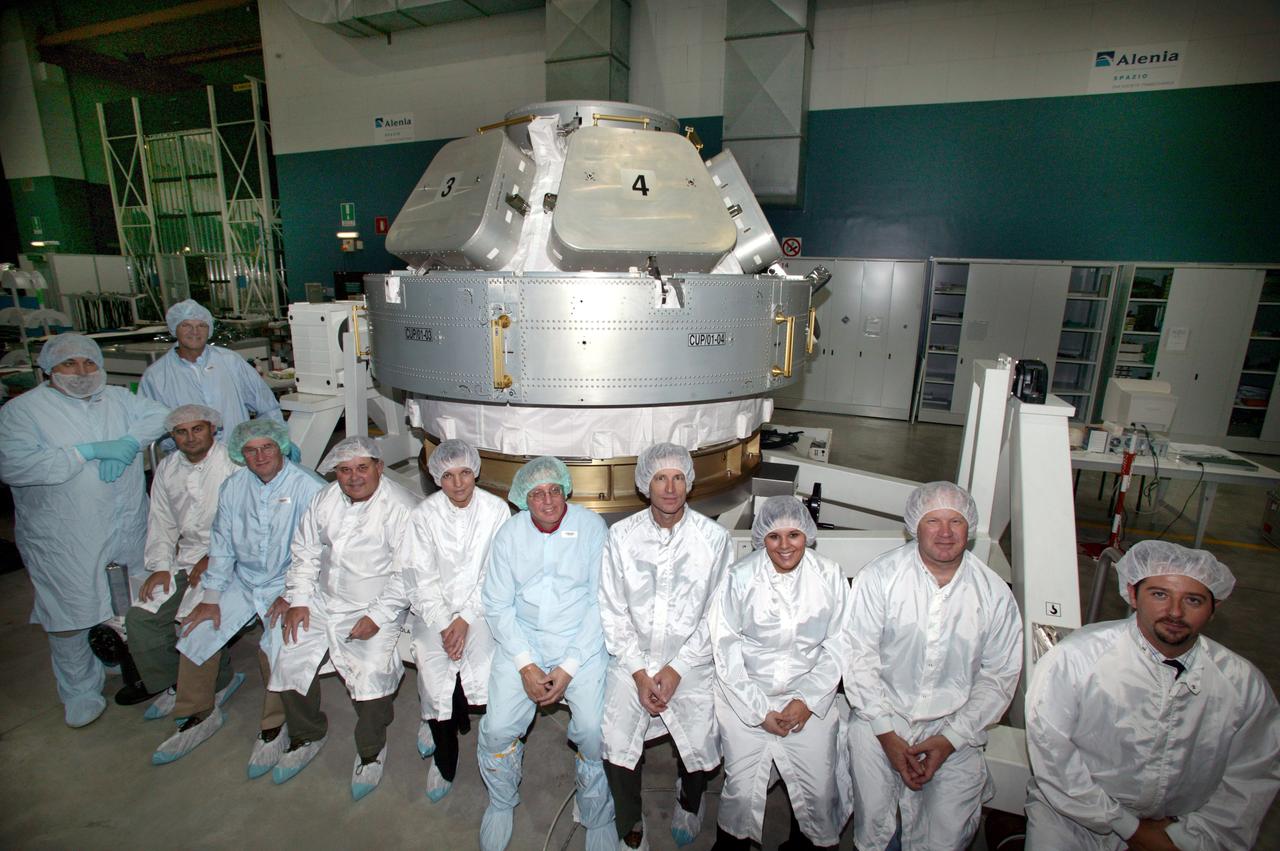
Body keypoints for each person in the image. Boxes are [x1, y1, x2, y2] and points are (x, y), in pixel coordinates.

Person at [1025, 540, 1280, 850]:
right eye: (1160, 594)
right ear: (1133, 594)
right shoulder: (1076, 659)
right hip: (1073, 820)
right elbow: (1053, 754)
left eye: (1194, 600)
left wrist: (1187, 836)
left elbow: (1250, 778)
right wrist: (1131, 828)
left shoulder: (1242, 685)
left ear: (1215, 608)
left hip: (1184, 830)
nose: (1175, 611)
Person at [0, 333, 168, 727]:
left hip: (124, 525)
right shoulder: (23, 411)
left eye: (89, 363)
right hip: (63, 535)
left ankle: (116, 658)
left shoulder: (117, 398)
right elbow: (13, 465)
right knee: (70, 613)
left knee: (124, 602)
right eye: (69, 364)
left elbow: (160, 415)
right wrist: (84, 453)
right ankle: (78, 690)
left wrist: (128, 441)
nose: (81, 372)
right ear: (48, 369)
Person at [843, 481, 1022, 851]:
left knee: (946, 835)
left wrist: (951, 738)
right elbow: (858, 657)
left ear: (968, 528)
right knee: (874, 827)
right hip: (881, 718)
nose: (944, 533)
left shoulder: (993, 594)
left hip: (955, 727)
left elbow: (999, 676)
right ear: (913, 527)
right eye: (933, 522)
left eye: (955, 522)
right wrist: (886, 734)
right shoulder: (880, 578)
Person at [151, 419, 324, 773]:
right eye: (250, 450)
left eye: (267, 447)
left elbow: (325, 553)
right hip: (243, 580)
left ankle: (274, 725)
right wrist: (211, 596)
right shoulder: (233, 487)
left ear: (282, 448)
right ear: (239, 453)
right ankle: (197, 713)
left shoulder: (309, 487)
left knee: (278, 642)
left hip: (288, 584)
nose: (260, 456)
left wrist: (294, 594)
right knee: (196, 628)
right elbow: (222, 545)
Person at [477, 456, 615, 851]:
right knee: (500, 726)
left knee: (592, 731)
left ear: (566, 490)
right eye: (537, 493)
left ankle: (597, 813)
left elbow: (600, 603)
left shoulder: (591, 528)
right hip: (524, 638)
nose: (548, 500)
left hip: (581, 639)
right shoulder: (510, 534)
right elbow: (497, 604)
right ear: (523, 498)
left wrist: (569, 668)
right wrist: (525, 664)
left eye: (555, 490)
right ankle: (502, 803)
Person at [268, 436, 419, 798]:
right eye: (344, 470)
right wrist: (300, 599)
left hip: (374, 604)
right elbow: (304, 551)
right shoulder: (324, 499)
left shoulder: (401, 507)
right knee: (288, 650)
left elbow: (407, 574)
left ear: (379, 468)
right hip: (322, 600)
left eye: (362, 468)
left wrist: (379, 617)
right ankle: (306, 733)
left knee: (370, 674)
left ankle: (370, 750)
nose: (353, 478)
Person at [599, 443, 732, 849]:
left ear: (689, 483)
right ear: (645, 485)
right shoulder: (621, 537)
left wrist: (676, 669)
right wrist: (640, 674)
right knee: (615, 735)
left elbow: (719, 614)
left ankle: (690, 802)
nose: (670, 488)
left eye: (678, 477)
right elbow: (612, 609)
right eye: (660, 478)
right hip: (631, 659)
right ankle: (628, 817)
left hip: (692, 661)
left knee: (701, 733)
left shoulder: (714, 539)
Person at [710, 495, 851, 851]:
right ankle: (731, 845)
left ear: (808, 534)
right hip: (746, 699)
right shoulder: (740, 578)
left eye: (794, 535)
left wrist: (806, 701)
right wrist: (760, 712)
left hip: (810, 701)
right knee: (741, 792)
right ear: (761, 539)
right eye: (774, 537)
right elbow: (725, 650)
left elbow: (839, 644)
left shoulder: (829, 576)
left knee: (818, 791)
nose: (784, 546)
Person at [399, 439, 510, 802]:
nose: (458, 483)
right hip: (434, 611)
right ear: (436, 478)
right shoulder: (424, 516)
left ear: (476, 471)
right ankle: (445, 754)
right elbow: (419, 575)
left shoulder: (496, 510)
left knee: (485, 666)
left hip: (482, 609)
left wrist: (464, 619)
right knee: (432, 670)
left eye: (464, 473)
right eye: (447, 475)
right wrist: (445, 621)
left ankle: (495, 754)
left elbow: (496, 572)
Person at [123, 404, 244, 718]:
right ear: (172, 436)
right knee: (141, 618)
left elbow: (248, 522)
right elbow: (161, 521)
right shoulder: (167, 469)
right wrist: (160, 566)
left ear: (212, 429)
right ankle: (174, 682)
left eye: (197, 429)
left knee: (195, 619)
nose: (190, 438)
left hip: (232, 558)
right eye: (181, 431)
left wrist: (214, 555)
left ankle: (220, 680)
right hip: (185, 557)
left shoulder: (234, 463)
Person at [139, 299, 281, 438]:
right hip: (188, 459)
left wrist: (277, 440)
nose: (195, 331)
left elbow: (267, 406)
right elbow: (149, 424)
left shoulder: (230, 361)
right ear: (174, 329)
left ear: (210, 330)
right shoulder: (156, 375)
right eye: (186, 325)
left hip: (235, 455)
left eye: (202, 325)